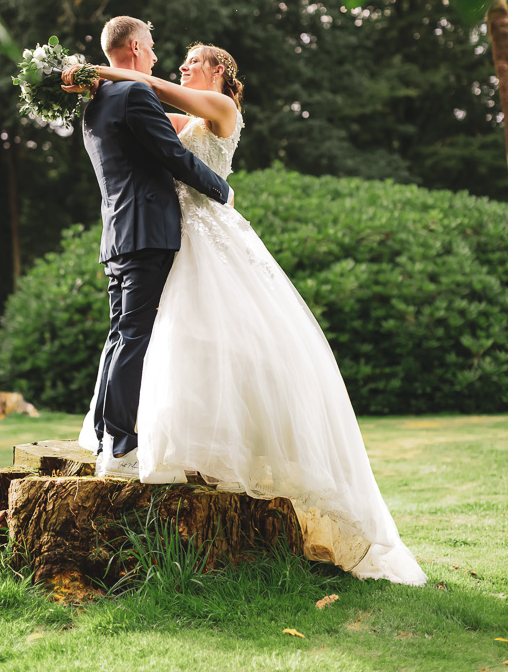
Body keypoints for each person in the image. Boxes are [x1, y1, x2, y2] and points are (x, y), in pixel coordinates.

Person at [68, 39, 427, 587]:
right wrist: (94, 86)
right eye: (179, 60)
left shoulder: (222, 109)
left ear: (218, 70)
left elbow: (153, 90)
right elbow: (139, 115)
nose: (182, 66)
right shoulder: (180, 111)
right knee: (174, 338)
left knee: (220, 332)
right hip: (175, 234)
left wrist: (101, 69)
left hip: (207, 229)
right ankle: (153, 436)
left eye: (193, 61)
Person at [63, 17, 231, 481]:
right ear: (135, 46)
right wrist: (224, 191)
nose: (158, 55)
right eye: (153, 46)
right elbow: (174, 157)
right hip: (147, 233)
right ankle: (120, 447)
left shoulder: (94, 105)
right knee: (134, 337)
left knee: (122, 334)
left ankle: (105, 437)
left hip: (118, 234)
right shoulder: (134, 94)